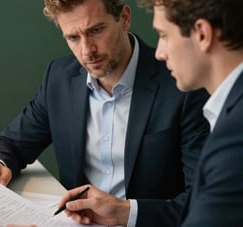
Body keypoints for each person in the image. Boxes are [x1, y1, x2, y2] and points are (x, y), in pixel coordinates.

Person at [0, 0, 210, 226]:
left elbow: (204, 202)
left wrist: (125, 212)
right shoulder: (60, 78)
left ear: (124, 18)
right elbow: (12, 142)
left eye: (96, 30)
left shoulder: (183, 84)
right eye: (73, 37)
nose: (87, 51)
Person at [58, 0, 243, 226]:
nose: (159, 53)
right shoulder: (228, 115)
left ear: (202, 34)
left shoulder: (234, 134)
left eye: (164, 36)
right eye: (73, 38)